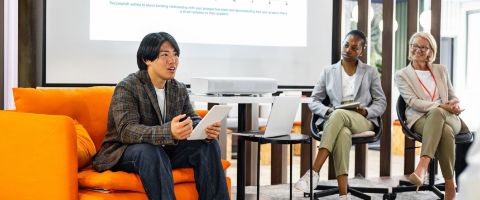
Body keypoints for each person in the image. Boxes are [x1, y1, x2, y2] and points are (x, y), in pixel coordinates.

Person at [92, 32, 229, 200]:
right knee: (150, 151)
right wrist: (168, 132)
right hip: (124, 153)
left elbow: (190, 118)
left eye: (175, 54)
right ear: (147, 59)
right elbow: (126, 131)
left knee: (207, 145)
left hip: (164, 151)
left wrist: (203, 128)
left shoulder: (177, 88)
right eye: (165, 55)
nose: (172, 61)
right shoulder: (127, 87)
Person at [294, 30, 387, 199]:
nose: (348, 50)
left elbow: (381, 102)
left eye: (354, 47)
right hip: (336, 117)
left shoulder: (370, 72)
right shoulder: (328, 71)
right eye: (346, 45)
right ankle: (344, 195)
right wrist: (328, 111)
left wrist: (366, 111)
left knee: (339, 115)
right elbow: (314, 100)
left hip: (361, 119)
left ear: (361, 50)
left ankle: (313, 172)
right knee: (342, 132)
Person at [395, 32, 464, 200]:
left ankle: (421, 166)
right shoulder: (402, 75)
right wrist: (439, 106)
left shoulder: (441, 70)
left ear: (430, 51)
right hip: (420, 119)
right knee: (445, 131)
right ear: (410, 47)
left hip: (449, 116)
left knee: (440, 114)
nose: (418, 50)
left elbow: (453, 96)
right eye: (414, 45)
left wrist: (452, 104)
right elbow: (412, 101)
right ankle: (450, 186)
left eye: (423, 47)